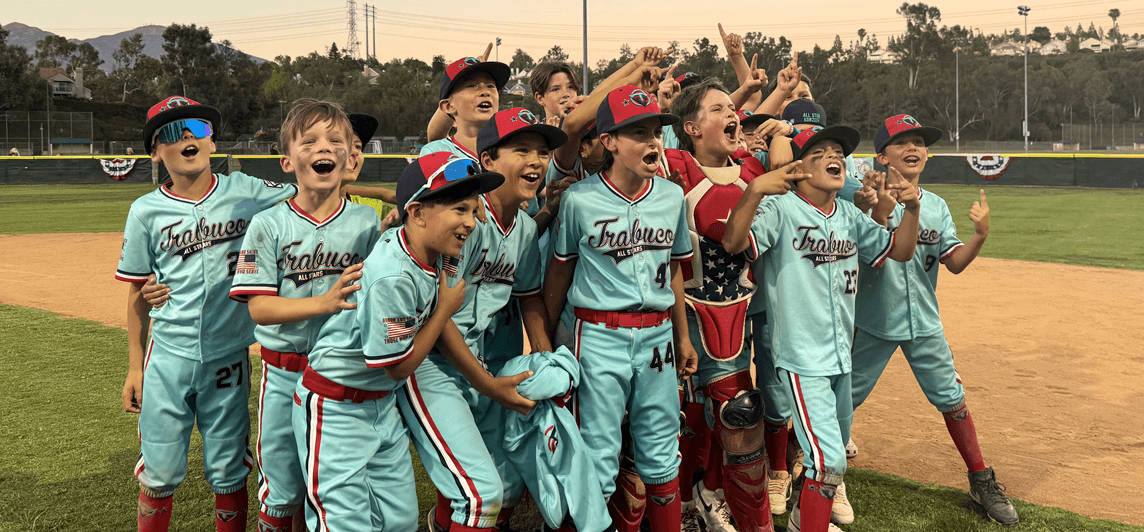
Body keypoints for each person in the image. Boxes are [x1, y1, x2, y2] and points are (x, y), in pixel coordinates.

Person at [722, 124, 921, 532]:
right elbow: (732, 242)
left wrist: (912, 210)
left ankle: (801, 518)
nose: (835, 156)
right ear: (798, 168)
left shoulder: (849, 214)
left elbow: (898, 250)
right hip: (801, 356)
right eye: (820, 152)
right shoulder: (781, 210)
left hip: (839, 358)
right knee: (827, 460)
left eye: (838, 151)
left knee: (834, 464)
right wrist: (756, 189)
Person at [117, 95, 300, 532]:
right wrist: (133, 366)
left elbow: (311, 191)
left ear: (213, 142)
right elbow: (136, 295)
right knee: (159, 471)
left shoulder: (247, 190)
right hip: (168, 357)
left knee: (229, 467)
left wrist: (376, 193)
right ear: (156, 152)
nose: (186, 138)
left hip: (229, 355)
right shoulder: (145, 211)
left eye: (196, 128)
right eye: (171, 134)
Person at [292, 152, 502, 531]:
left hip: (380, 406)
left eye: (474, 210)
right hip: (336, 406)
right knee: (344, 523)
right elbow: (397, 368)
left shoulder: (430, 249)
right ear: (418, 213)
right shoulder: (392, 275)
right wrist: (444, 311)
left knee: (400, 521)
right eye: (459, 210)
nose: (471, 222)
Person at [848, 114, 1017, 526]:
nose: (913, 148)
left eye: (920, 142)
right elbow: (865, 255)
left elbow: (953, 263)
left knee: (952, 398)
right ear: (881, 155)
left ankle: (981, 479)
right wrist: (877, 207)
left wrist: (979, 237)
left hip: (924, 323)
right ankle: (807, 466)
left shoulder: (937, 206)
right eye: (902, 141)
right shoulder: (864, 199)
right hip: (871, 320)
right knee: (841, 398)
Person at [544, 84, 698, 531]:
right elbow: (560, 273)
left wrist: (682, 336)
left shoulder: (670, 197)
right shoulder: (579, 199)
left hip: (656, 338)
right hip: (597, 335)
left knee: (661, 449)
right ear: (609, 141)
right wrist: (551, 341)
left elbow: (674, 271)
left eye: (655, 131)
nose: (652, 142)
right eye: (637, 133)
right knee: (597, 453)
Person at [225, 99, 381, 532]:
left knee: (333, 488)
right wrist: (323, 303)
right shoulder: (269, 224)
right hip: (284, 374)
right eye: (308, 141)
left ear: (352, 157)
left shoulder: (368, 224)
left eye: (335, 140)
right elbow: (259, 306)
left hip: (341, 378)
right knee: (281, 489)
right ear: (287, 160)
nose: (322, 148)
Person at [662, 78, 777, 532]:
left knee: (739, 416)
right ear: (690, 127)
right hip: (676, 318)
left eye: (733, 107)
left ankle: (741, 516)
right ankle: (682, 507)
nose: (732, 114)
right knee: (673, 421)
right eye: (718, 109)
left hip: (733, 319)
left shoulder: (751, 170)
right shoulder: (672, 167)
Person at [421, 55, 511, 162]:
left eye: (490, 86)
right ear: (448, 106)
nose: (485, 92)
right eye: (472, 86)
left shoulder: (513, 148)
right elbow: (435, 133)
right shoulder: (437, 151)